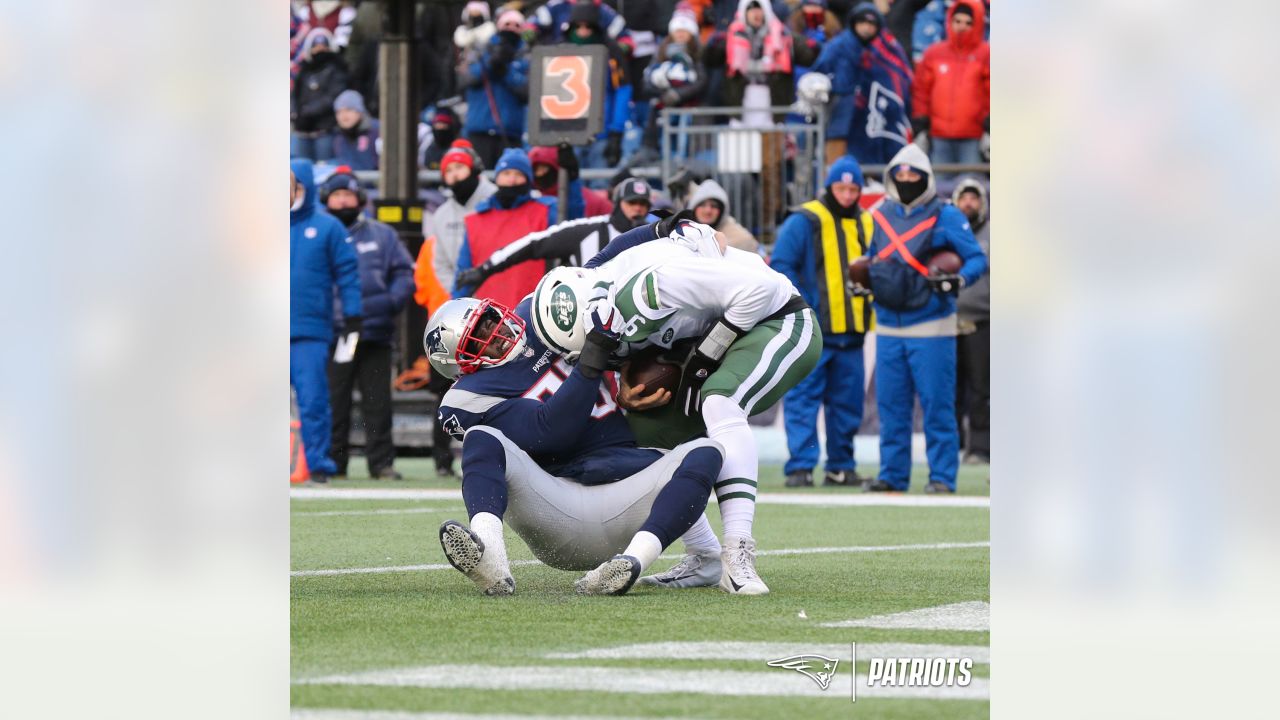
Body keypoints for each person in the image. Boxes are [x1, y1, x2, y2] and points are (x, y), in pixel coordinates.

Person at [533, 217, 822, 594]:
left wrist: (704, 358)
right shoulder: (590, 297)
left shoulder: (653, 286)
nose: (593, 353)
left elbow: (761, 290)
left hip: (780, 319)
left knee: (720, 399)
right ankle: (704, 556)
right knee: (647, 434)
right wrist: (624, 390)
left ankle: (737, 550)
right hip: (721, 328)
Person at [426, 296, 723, 596]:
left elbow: (605, 277)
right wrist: (593, 356)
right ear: (460, 364)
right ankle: (490, 558)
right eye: (478, 340)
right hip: (558, 505)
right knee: (482, 438)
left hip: (627, 496)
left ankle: (636, 561)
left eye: (490, 320)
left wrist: (622, 374)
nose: (496, 334)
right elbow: (549, 432)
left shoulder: (540, 317)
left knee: (707, 452)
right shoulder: (467, 398)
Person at [863, 144, 987, 494]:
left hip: (933, 325)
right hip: (887, 323)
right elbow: (874, 258)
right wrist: (864, 279)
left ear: (926, 177)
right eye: (899, 174)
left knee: (936, 405)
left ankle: (942, 477)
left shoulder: (946, 214)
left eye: (912, 174)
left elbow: (977, 258)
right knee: (891, 407)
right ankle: (892, 475)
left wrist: (960, 279)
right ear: (890, 177)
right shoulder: (879, 214)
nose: (905, 180)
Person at [770, 156, 874, 488]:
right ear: (829, 186)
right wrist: (805, 307)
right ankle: (800, 466)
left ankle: (841, 466)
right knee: (803, 401)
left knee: (848, 405)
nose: (847, 195)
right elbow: (782, 266)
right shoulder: (804, 220)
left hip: (852, 334)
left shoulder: (867, 222)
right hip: (813, 334)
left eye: (853, 188)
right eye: (841, 188)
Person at [320, 168, 415, 480]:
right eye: (337, 195)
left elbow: (404, 272)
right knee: (336, 401)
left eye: (348, 194)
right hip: (336, 332)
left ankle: (381, 463)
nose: (343, 200)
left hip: (375, 332)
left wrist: (390, 303)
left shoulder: (382, 234)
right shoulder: (320, 233)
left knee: (378, 402)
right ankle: (335, 463)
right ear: (326, 200)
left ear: (359, 198)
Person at [414, 139, 495, 477]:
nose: (454, 175)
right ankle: (444, 458)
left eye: (460, 167)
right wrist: (458, 303)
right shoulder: (443, 214)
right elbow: (442, 262)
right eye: (449, 170)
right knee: (448, 387)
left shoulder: (492, 201)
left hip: (492, 309)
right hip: (455, 314)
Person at [290, 160, 362, 484]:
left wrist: (353, 315)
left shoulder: (328, 227)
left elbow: (348, 274)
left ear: (304, 187)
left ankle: (319, 464)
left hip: (310, 331)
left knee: (314, 400)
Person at [454, 177, 654, 291]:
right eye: (632, 202)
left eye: (643, 204)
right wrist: (486, 268)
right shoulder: (587, 229)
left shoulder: (654, 238)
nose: (637, 208)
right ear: (618, 203)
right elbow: (534, 243)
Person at [452, 147, 585, 306]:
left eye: (518, 174)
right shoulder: (476, 219)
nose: (511, 180)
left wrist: (572, 178)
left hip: (533, 313)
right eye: (506, 174)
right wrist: (455, 309)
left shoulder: (546, 210)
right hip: (488, 320)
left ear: (528, 180)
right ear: (497, 177)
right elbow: (463, 275)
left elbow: (573, 218)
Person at [807, 2, 913, 166]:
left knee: (871, 167)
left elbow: (896, 81)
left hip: (872, 123)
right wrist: (836, 88)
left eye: (871, 24)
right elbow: (817, 74)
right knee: (836, 166)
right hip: (840, 120)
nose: (866, 28)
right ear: (854, 23)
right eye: (862, 22)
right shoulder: (839, 45)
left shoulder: (883, 51)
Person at [911, 0, 990, 170]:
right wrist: (921, 123)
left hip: (973, 136)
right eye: (957, 21)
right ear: (950, 21)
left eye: (968, 23)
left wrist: (990, 127)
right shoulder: (934, 53)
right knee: (939, 185)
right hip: (939, 136)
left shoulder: (986, 54)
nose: (962, 27)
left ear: (977, 24)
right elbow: (921, 91)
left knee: (970, 187)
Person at [562, 1, 634, 171]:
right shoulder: (560, 52)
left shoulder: (611, 53)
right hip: (569, 134)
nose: (583, 32)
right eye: (578, 27)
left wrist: (616, 131)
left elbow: (622, 91)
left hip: (601, 133)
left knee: (599, 187)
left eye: (588, 27)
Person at [457, 8, 530, 168]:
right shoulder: (480, 51)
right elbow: (465, 78)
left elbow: (527, 91)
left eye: (517, 25)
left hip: (510, 134)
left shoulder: (526, 58)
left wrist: (506, 71)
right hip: (479, 132)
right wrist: (491, 64)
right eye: (507, 24)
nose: (511, 28)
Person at [952, 176, 989, 464]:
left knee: (981, 388)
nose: (968, 203)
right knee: (949, 388)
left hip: (982, 320)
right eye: (963, 197)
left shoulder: (994, 233)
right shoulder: (946, 230)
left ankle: (979, 447)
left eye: (974, 197)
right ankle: (951, 444)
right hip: (948, 321)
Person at [291, 28, 350, 161]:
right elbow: (295, 94)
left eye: (323, 47)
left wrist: (308, 112)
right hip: (302, 131)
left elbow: (334, 97)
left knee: (324, 171)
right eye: (315, 47)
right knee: (299, 171)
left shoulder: (337, 69)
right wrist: (294, 113)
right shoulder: (304, 69)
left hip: (325, 131)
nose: (319, 50)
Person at [527, 146, 615, 217]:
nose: (540, 173)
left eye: (544, 168)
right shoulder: (537, 198)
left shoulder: (582, 198)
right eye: (536, 170)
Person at [685, 178, 759, 253]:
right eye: (702, 205)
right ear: (693, 207)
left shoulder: (741, 240)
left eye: (714, 206)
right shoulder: (682, 233)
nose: (708, 210)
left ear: (722, 211)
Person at [330, 90, 380, 171]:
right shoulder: (338, 136)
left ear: (360, 112)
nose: (343, 116)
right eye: (339, 112)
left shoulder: (376, 131)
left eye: (348, 110)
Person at [420, 106, 462, 171]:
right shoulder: (428, 147)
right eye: (438, 125)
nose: (440, 128)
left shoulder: (457, 149)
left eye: (444, 125)